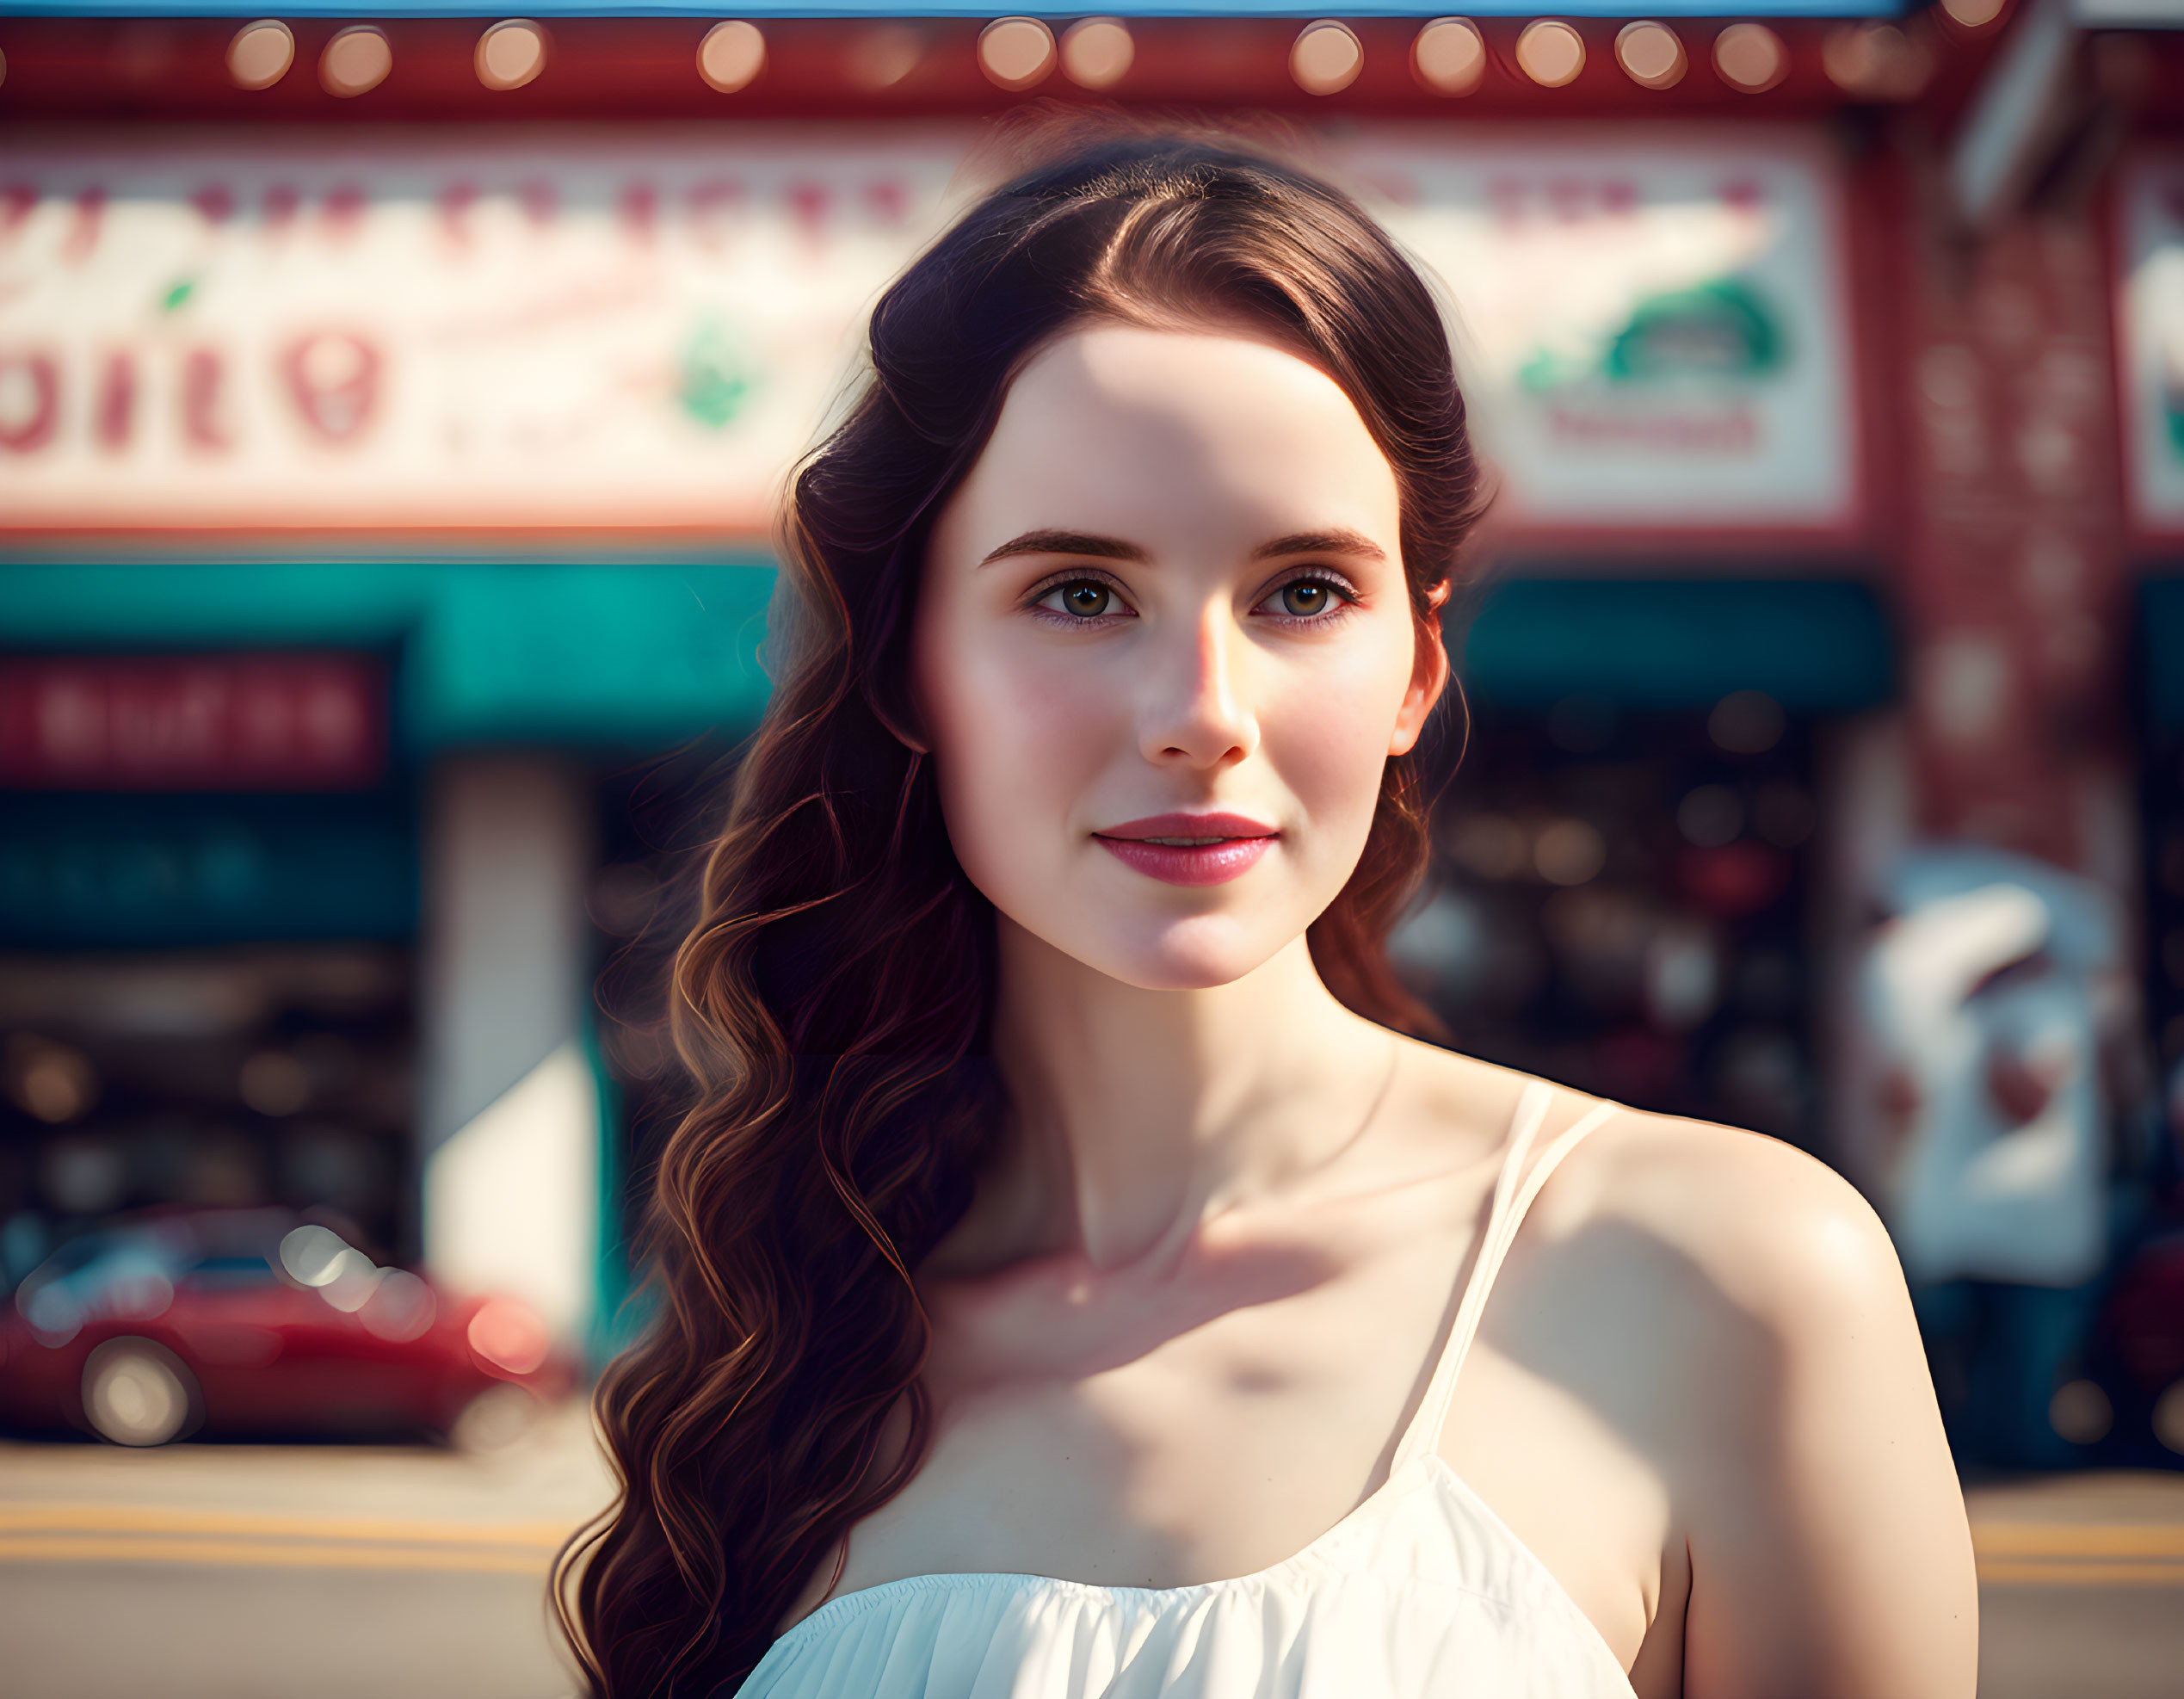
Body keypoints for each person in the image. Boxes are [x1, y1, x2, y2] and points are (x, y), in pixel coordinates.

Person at [559, 132, 1977, 1699]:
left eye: (1303, 591)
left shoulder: (1731, 1273)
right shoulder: (797, 1340)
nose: (1201, 713)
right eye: (1080, 593)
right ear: (909, 666)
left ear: (1415, 672)